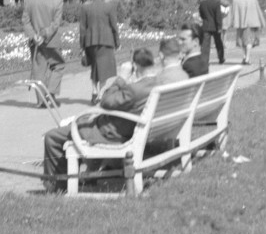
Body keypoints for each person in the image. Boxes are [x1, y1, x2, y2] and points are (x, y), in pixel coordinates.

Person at [42, 46, 171, 191]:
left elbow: (105, 101)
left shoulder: (135, 90)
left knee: (52, 136)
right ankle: (84, 177)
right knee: (77, 125)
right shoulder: (159, 84)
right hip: (133, 130)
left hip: (112, 134)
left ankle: (57, 185)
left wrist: (121, 78)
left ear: (135, 65)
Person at [22, 0, 66, 105]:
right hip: (51, 40)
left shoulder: (30, 1)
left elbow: (25, 21)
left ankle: (41, 101)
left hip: (35, 42)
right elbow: (55, 23)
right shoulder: (57, 2)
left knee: (38, 70)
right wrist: (44, 34)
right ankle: (50, 94)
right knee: (58, 65)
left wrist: (33, 35)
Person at [79, 0, 120, 104]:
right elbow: (114, 26)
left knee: (95, 67)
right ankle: (100, 93)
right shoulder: (109, 7)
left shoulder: (85, 8)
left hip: (90, 41)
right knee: (104, 67)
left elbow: (82, 28)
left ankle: (94, 91)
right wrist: (117, 42)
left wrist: (82, 45)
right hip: (106, 41)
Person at [230, 0, 265, 64]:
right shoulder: (253, 0)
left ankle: (245, 56)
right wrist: (262, 22)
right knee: (249, 41)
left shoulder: (235, 0)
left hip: (240, 23)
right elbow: (259, 11)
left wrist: (231, 22)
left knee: (242, 41)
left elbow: (232, 13)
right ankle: (247, 58)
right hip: (251, 23)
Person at [198, 0, 226, 66]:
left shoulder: (202, 3)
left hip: (206, 25)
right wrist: (220, 26)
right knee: (218, 43)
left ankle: (205, 60)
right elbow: (218, 16)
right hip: (215, 26)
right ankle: (221, 58)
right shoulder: (216, 3)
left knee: (205, 44)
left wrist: (204, 19)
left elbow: (201, 14)